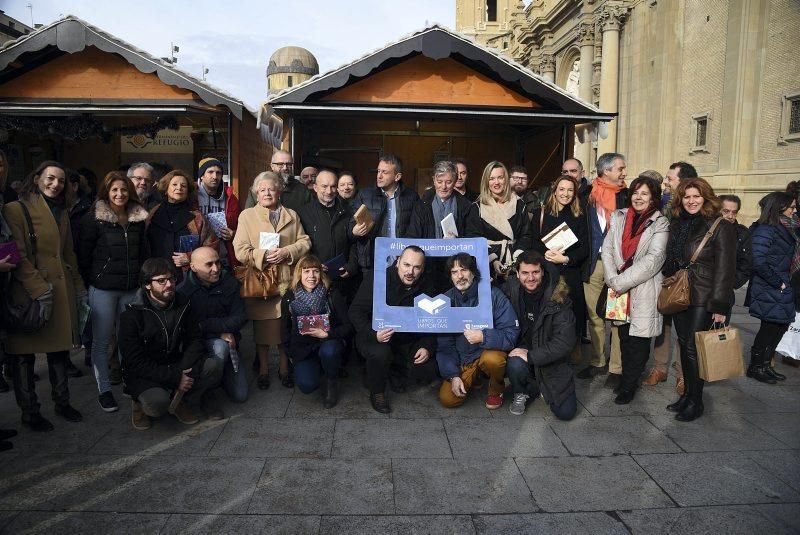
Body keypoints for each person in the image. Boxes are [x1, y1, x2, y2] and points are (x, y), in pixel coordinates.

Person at [2, 161, 87, 432]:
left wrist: (78, 287)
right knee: (24, 356)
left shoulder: (62, 211)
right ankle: (30, 412)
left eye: (61, 180)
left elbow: (68, 253)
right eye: (50, 178)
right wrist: (40, 290)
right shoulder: (16, 208)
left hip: (60, 289)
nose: (55, 184)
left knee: (59, 351)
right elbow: (18, 255)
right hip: (29, 292)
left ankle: (62, 402)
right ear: (36, 178)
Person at [119, 258, 223, 430]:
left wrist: (182, 370)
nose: (169, 284)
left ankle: (180, 401)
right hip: (146, 373)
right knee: (157, 405)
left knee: (212, 365)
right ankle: (138, 403)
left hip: (176, 364)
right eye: (161, 281)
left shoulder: (184, 303)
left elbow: (195, 340)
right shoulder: (131, 316)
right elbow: (134, 361)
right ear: (147, 284)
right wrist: (175, 378)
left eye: (172, 279)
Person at [663, 177, 735, 421]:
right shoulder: (678, 223)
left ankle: (697, 401)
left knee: (694, 348)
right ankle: (687, 396)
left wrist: (719, 306)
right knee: (685, 344)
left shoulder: (720, 225)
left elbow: (726, 269)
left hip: (704, 295)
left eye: (696, 196)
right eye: (686, 197)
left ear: (706, 197)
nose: (691, 201)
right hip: (682, 293)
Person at [78, 171, 149, 412]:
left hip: (131, 290)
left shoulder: (138, 219)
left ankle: (131, 383)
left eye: (124, 190)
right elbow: (84, 254)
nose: (119, 194)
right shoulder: (94, 219)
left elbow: (143, 253)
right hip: (104, 290)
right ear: (106, 192)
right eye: (114, 190)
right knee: (101, 341)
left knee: (129, 339)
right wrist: (94, 280)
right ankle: (104, 389)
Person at [234, 171, 311, 390]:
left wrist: (287, 252)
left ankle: (285, 369)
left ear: (279, 192)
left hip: (287, 280)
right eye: (263, 189)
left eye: (272, 189)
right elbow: (240, 250)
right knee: (262, 331)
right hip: (262, 282)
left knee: (285, 327)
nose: (268, 192)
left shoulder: (292, 215)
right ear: (256, 193)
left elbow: (305, 242)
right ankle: (264, 370)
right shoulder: (246, 216)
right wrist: (263, 255)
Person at [601, 176, 669, 404]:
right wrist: (612, 278)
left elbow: (654, 259)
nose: (639, 198)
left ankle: (629, 386)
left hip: (643, 289)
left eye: (645, 194)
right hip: (619, 287)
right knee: (623, 338)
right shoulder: (619, 216)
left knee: (638, 342)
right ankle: (625, 380)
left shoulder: (660, 223)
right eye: (636, 193)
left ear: (653, 197)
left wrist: (620, 282)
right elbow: (608, 248)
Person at [348, 246, 438, 413]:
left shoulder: (427, 284)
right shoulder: (377, 278)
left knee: (428, 369)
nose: (410, 271)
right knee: (380, 354)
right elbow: (355, 311)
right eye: (406, 265)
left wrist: (427, 346)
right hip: (374, 336)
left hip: (406, 339)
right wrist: (373, 334)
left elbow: (433, 320)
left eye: (417, 267)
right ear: (397, 262)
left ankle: (395, 370)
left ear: (422, 268)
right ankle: (377, 392)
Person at [436, 253, 519, 409]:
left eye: (464, 270)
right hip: (464, 359)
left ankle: (496, 389)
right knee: (448, 399)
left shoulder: (493, 295)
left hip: (488, 352)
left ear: (473, 272)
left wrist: (483, 336)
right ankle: (476, 377)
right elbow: (445, 345)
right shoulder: (445, 301)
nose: (460, 276)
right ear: (450, 276)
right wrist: (453, 375)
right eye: (454, 272)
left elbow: (511, 333)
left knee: (493, 360)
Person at [504, 251, 578, 420]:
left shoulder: (558, 298)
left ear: (542, 272)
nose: (530, 278)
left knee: (566, 413)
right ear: (517, 274)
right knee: (515, 363)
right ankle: (521, 391)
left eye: (535, 272)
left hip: (551, 357)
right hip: (523, 349)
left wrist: (531, 355)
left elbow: (564, 343)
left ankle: (539, 385)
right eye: (525, 273)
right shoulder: (511, 289)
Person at [578, 152, 628, 389]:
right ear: (605, 170)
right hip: (593, 264)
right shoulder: (586, 196)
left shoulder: (627, 197)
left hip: (618, 268)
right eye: (620, 168)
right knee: (594, 316)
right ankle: (598, 361)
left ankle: (616, 368)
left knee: (617, 317)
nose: (624, 172)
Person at [646, 161, 698, 391]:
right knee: (662, 324)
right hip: (664, 275)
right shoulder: (667, 207)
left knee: (685, 330)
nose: (665, 182)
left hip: (690, 279)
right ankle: (659, 368)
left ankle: (683, 374)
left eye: (670, 179)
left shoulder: (700, 210)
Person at [177, 246, 249, 402]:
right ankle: (207, 389)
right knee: (220, 347)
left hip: (230, 343)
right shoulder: (183, 292)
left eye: (218, 263)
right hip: (199, 346)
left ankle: (221, 374)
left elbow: (240, 317)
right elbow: (188, 329)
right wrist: (217, 333)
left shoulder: (229, 282)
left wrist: (205, 325)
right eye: (209, 264)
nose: (216, 269)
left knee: (240, 395)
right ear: (193, 267)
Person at [281, 255, 352, 408]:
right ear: (299, 273)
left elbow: (348, 326)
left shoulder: (331, 294)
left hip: (328, 343)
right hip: (304, 349)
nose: (311, 276)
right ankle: (318, 369)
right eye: (306, 271)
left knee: (329, 351)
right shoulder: (289, 297)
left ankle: (331, 380)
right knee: (307, 386)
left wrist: (328, 334)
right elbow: (284, 331)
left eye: (315, 271)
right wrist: (291, 355)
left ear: (321, 273)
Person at [530, 176, 589, 360]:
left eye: (570, 190)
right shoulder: (542, 213)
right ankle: (547, 348)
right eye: (561, 189)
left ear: (575, 192)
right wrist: (545, 255)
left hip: (570, 272)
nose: (565, 194)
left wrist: (565, 258)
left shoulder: (580, 215)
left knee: (573, 311)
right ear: (554, 191)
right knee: (548, 310)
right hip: (547, 271)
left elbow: (585, 248)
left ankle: (573, 348)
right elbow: (533, 242)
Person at [745, 192, 797, 384]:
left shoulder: (788, 227)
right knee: (769, 327)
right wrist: (778, 282)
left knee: (780, 326)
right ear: (779, 207)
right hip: (771, 285)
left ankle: (765, 365)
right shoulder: (766, 229)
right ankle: (755, 366)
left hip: (784, 284)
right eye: (792, 207)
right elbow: (757, 260)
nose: (795, 210)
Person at [407, 160, 478, 292]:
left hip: (456, 267)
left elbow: (474, 237)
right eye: (439, 182)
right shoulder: (422, 204)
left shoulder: (466, 206)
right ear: (433, 180)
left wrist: (458, 241)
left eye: (448, 182)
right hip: (427, 267)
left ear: (455, 180)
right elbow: (412, 236)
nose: (443, 186)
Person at [349, 154, 419, 273]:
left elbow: (416, 231)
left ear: (397, 176)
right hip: (372, 262)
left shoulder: (412, 197)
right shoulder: (364, 195)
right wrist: (354, 231)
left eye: (385, 172)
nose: (379, 176)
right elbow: (350, 227)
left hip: (402, 263)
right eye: (378, 171)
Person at [146, 169, 217, 282]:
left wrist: (191, 258)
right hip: (156, 277)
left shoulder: (197, 218)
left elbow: (211, 245)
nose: (179, 188)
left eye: (183, 186)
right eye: (174, 184)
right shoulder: (151, 215)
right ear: (166, 189)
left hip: (187, 278)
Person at [472, 161, 532, 280]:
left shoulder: (519, 204)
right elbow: (475, 238)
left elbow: (526, 235)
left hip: (515, 262)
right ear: (486, 181)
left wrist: (517, 256)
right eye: (492, 178)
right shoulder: (477, 207)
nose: (496, 182)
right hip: (487, 264)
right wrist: (492, 260)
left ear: (506, 179)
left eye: (500, 177)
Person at [297, 169, 357, 284]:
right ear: (315, 187)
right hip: (314, 278)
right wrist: (314, 265)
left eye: (333, 186)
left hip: (342, 278)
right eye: (324, 186)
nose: (329, 191)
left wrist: (351, 266)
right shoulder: (303, 213)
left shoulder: (348, 211)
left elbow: (354, 243)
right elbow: (301, 246)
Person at [196, 157, 240, 268]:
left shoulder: (231, 198)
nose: (215, 177)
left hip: (223, 254)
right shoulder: (192, 196)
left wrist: (233, 233)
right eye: (210, 172)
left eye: (218, 173)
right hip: (197, 251)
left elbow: (242, 225)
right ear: (202, 176)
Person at [244, 150, 313, 211]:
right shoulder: (258, 188)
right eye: (280, 164)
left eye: (289, 164)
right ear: (272, 166)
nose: (285, 168)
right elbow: (248, 217)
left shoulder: (302, 190)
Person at [719, 194, 753, 321]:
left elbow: (747, 263)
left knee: (718, 335)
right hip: (701, 290)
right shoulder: (705, 229)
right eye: (726, 211)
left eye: (734, 212)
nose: (730, 216)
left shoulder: (742, 233)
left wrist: (732, 284)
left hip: (725, 293)